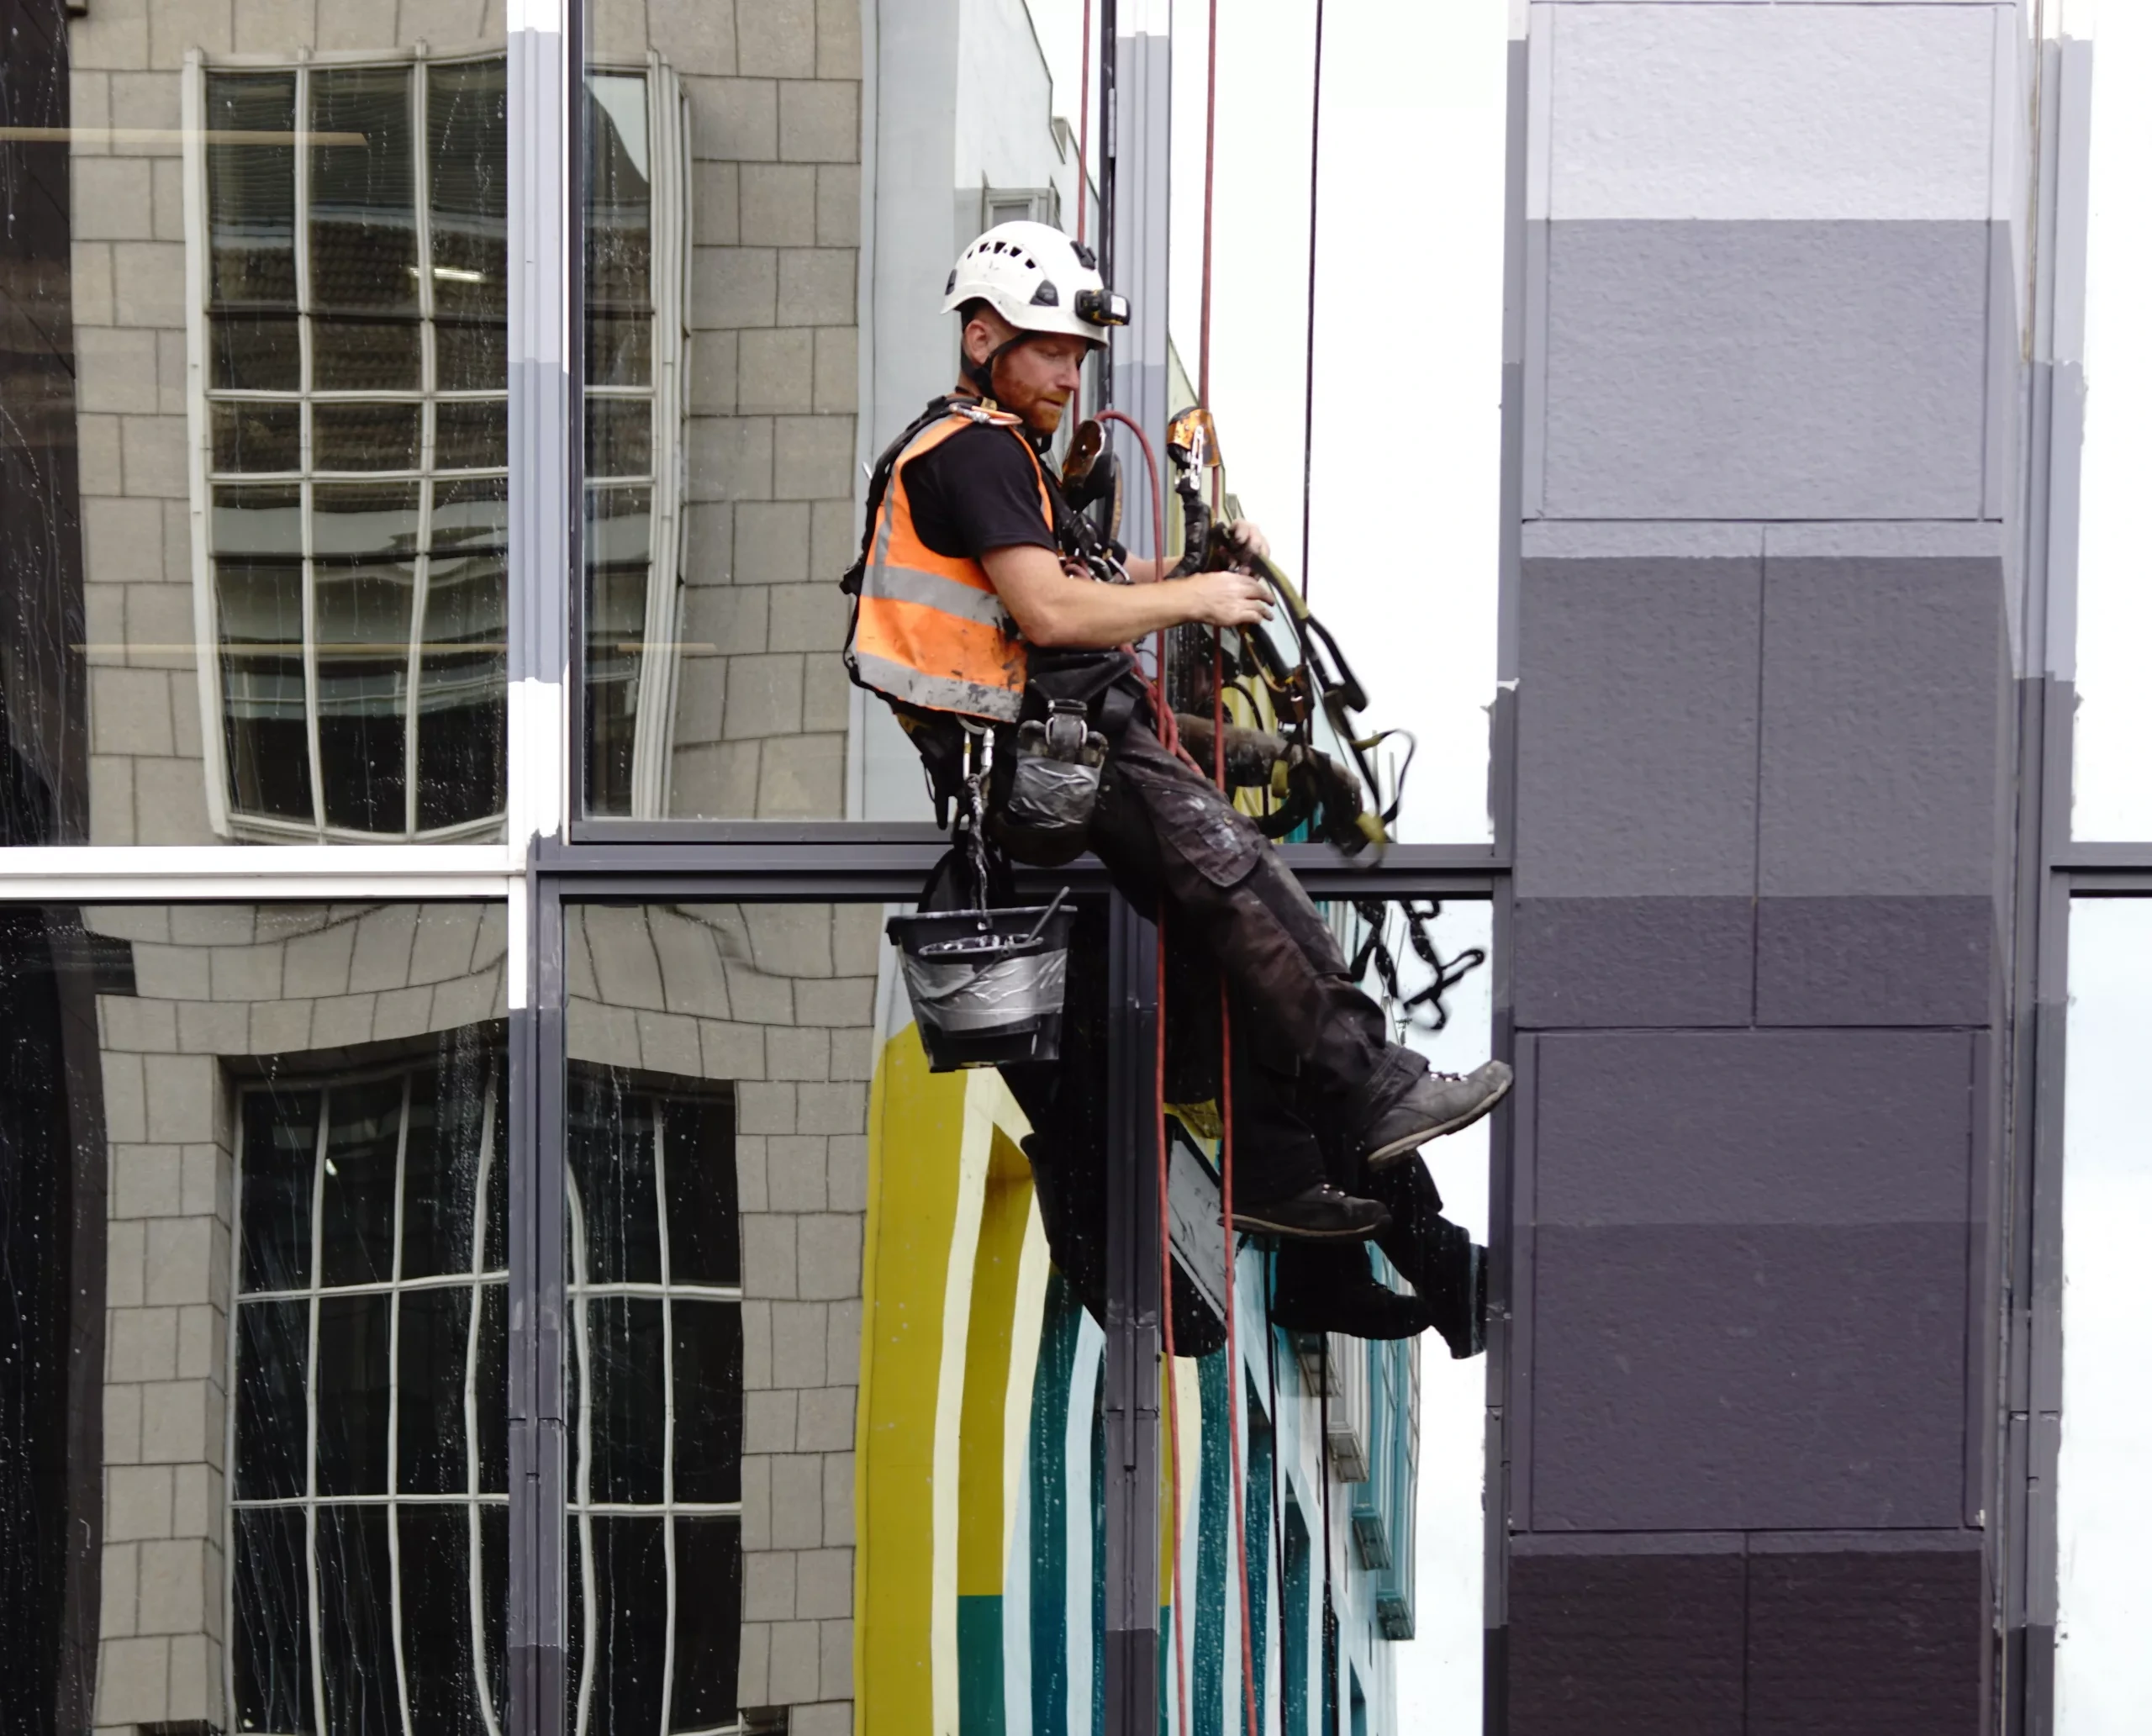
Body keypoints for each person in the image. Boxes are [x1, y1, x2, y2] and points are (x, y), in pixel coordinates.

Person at [843, 221, 1511, 1243]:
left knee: (1217, 933)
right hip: (1051, 741)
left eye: (1077, 354)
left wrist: (1201, 567)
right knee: (1241, 879)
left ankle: (1274, 1170)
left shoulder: (995, 454)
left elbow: (1087, 582)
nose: (1070, 374)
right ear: (982, 338)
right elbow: (1053, 615)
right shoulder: (974, 452)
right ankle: (1374, 1084)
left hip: (1042, 743)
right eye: (1050, 349)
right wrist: (1199, 595)